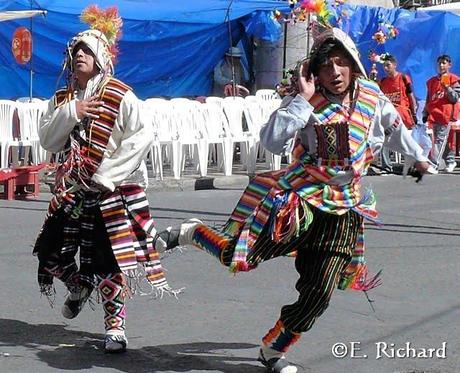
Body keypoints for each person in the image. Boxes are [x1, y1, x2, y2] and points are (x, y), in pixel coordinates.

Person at [161, 27, 430, 372]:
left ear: (352, 64)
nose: (334, 73)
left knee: (320, 292)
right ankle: (192, 232)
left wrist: (418, 157)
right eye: (325, 66)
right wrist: (301, 101)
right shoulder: (304, 102)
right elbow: (272, 142)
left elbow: (396, 132)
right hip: (298, 200)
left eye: (340, 63)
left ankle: (273, 351)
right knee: (239, 259)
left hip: (344, 208)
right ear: (313, 73)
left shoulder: (374, 99)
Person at [33, 6, 176, 354]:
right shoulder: (63, 99)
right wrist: (72, 113)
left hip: (113, 190)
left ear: (100, 58)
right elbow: (48, 141)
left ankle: (115, 328)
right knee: (49, 253)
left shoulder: (119, 94)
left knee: (110, 261)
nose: (79, 55)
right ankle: (78, 285)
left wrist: (108, 174)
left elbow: (141, 135)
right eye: (74, 51)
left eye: (86, 51)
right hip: (74, 189)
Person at [422, 54, 460, 173]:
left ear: (449, 65)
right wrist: (425, 112)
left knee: (440, 140)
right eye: (439, 63)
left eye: (444, 63)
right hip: (434, 114)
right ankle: (450, 161)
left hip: (446, 115)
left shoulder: (453, 79)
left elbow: (455, 98)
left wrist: (447, 87)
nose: (441, 65)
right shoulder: (432, 81)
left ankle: (434, 164)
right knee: (441, 140)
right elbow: (429, 99)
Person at [379, 54, 418, 130]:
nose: (386, 68)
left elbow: (411, 97)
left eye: (388, 65)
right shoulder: (382, 82)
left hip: (404, 119)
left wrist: (414, 114)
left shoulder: (403, 78)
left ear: (395, 65)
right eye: (384, 66)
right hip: (389, 122)